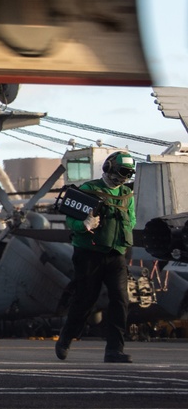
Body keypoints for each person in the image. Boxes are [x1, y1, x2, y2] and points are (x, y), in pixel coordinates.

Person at [56, 150, 137, 364]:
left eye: (127, 174)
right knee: (85, 300)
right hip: (88, 254)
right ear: (109, 168)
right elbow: (71, 222)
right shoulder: (88, 190)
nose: (123, 178)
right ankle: (65, 338)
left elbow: (133, 220)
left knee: (120, 300)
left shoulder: (127, 195)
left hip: (116, 254)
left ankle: (114, 350)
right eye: (121, 172)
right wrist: (84, 225)